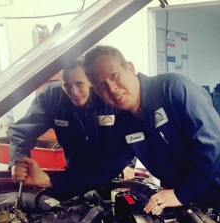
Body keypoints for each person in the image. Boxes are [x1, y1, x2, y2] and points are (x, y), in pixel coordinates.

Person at [83, 45, 220, 223]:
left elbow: (214, 144)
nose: (111, 88)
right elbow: (102, 169)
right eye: (101, 85)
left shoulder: (173, 88)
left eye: (114, 75)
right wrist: (52, 182)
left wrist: (181, 194)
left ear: (130, 69)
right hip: (198, 198)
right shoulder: (125, 124)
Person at [9, 56, 135, 196]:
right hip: (75, 176)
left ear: (90, 80)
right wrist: (18, 161)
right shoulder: (50, 98)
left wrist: (128, 164)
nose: (74, 92)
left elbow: (131, 130)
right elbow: (22, 132)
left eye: (79, 84)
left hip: (112, 172)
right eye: (67, 85)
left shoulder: (108, 94)